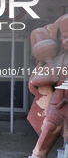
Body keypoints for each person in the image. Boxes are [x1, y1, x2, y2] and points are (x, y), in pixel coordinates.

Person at [29, 15, 68, 158]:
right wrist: (49, 74)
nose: (67, 40)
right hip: (57, 103)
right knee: (50, 127)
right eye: (64, 37)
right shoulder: (58, 60)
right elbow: (35, 80)